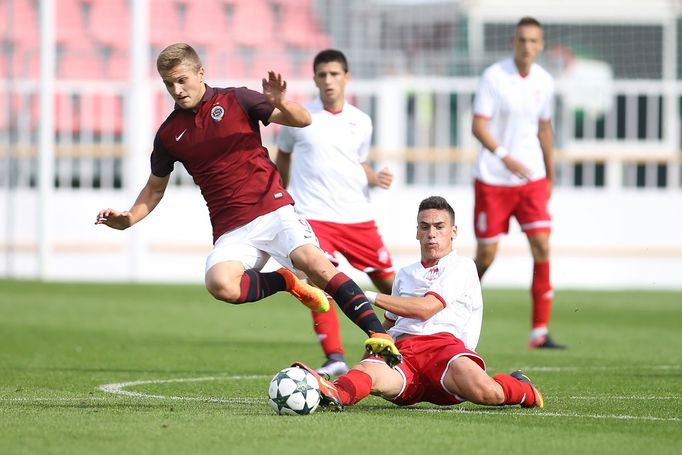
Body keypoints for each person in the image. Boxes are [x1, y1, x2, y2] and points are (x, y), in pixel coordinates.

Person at [94, 43, 401, 366]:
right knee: (221, 284)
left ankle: (376, 334)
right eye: (169, 84)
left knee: (316, 264)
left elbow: (303, 119)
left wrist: (280, 101)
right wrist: (129, 218)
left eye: (182, 80)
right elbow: (154, 189)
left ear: (201, 73)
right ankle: (285, 280)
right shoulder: (170, 134)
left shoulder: (236, 99)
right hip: (232, 228)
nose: (177, 90)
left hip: (273, 209)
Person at [291, 196, 544, 411]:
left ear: (453, 232)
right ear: (417, 232)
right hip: (404, 355)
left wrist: (359, 294)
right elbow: (387, 326)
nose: (431, 234)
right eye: (424, 227)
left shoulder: (462, 267)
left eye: (439, 227)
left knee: (488, 392)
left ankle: (523, 388)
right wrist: (372, 354)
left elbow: (425, 309)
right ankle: (331, 393)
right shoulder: (404, 274)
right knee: (368, 373)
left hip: (445, 353)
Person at [275, 49, 396, 377]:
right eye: (322, 75)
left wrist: (375, 177)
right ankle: (335, 357)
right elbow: (282, 156)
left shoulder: (361, 121)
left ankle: (414, 338)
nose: (328, 80)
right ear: (315, 79)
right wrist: (279, 194)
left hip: (357, 217)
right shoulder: (298, 117)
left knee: (391, 284)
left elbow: (356, 163)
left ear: (346, 78)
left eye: (334, 74)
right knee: (320, 279)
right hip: (314, 216)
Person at [471, 17, 565, 349]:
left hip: (531, 180)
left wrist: (550, 174)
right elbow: (478, 125)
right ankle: (459, 302)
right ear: (514, 42)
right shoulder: (494, 77)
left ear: (540, 45)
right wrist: (504, 155)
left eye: (533, 41)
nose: (527, 46)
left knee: (542, 245)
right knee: (486, 255)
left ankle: (539, 331)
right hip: (493, 179)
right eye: (522, 40)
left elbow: (544, 128)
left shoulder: (545, 81)